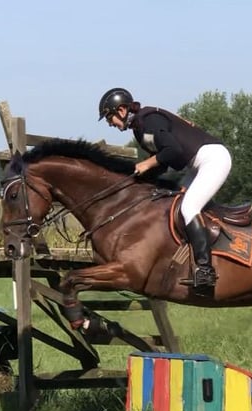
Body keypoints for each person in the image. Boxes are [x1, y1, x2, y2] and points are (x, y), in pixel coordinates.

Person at [97, 87, 232, 296]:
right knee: (176, 203)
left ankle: (205, 270)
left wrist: (146, 163)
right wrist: (136, 177)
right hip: (197, 164)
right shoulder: (140, 126)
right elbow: (163, 162)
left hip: (213, 159)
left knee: (189, 207)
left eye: (109, 117)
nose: (110, 123)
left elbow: (173, 151)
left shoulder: (147, 121)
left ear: (122, 110)